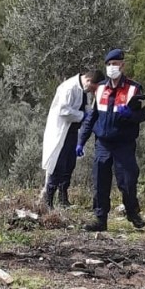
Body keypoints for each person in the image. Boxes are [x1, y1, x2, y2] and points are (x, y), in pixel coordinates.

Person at [76, 49, 145, 232]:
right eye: (108, 64)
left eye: (115, 64)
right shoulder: (100, 88)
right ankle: (100, 219)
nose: (111, 67)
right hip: (103, 143)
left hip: (124, 144)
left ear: (122, 65)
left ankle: (132, 213)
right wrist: (81, 141)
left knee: (127, 181)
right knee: (100, 181)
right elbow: (92, 117)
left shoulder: (134, 88)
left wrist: (131, 114)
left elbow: (143, 114)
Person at [41, 69, 101, 208]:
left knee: (69, 165)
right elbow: (63, 111)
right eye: (92, 88)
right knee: (58, 166)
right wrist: (82, 116)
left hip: (73, 132)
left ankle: (63, 199)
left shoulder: (83, 90)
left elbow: (84, 107)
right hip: (61, 132)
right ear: (88, 81)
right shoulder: (69, 88)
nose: (92, 91)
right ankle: (48, 201)